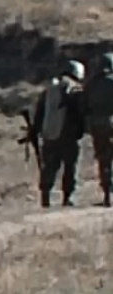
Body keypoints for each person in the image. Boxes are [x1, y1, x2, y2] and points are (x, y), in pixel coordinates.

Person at [30, 60, 88, 208]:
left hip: (49, 135)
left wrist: (36, 131)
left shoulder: (49, 90)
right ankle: (67, 197)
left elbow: (39, 113)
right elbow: (80, 113)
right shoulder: (75, 90)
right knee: (70, 167)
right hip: (69, 135)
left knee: (49, 166)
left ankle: (45, 197)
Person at [86, 53, 113, 208]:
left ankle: (107, 194)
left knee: (104, 160)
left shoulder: (91, 85)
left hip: (97, 125)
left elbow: (83, 106)